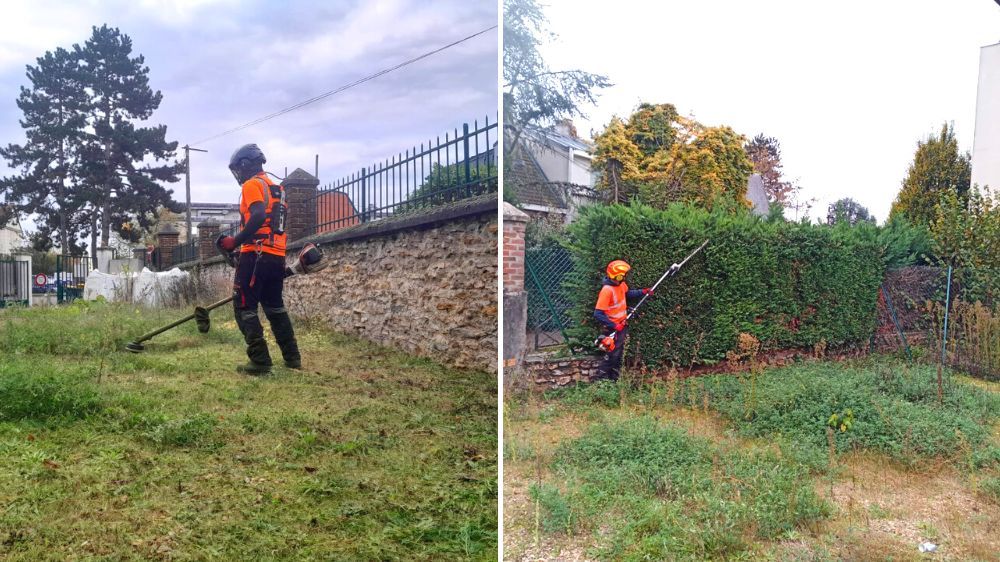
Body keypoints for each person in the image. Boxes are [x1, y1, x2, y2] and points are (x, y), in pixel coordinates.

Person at [216, 143, 300, 375]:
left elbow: (259, 215)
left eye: (238, 169)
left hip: (256, 254)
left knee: (244, 306)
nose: (238, 175)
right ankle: (292, 358)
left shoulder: (253, 184)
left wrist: (235, 242)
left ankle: (260, 360)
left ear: (246, 164)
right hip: (276, 256)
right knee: (275, 307)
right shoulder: (277, 189)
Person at [593, 259, 652, 381]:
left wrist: (643, 292)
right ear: (616, 276)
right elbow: (598, 313)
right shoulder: (607, 291)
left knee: (618, 355)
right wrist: (614, 326)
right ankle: (600, 381)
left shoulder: (620, 285)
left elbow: (628, 294)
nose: (624, 277)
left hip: (621, 325)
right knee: (612, 355)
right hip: (612, 328)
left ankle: (614, 380)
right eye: (622, 276)